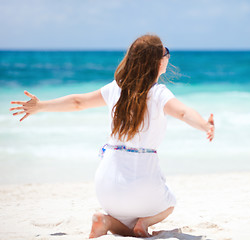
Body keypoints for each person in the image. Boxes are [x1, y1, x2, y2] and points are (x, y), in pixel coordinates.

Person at [10, 34, 215, 238]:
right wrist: (205, 125)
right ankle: (143, 223)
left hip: (105, 188)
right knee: (170, 203)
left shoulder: (116, 89)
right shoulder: (159, 92)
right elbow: (182, 112)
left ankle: (107, 220)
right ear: (158, 62)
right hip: (142, 186)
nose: (168, 57)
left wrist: (41, 106)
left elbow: (78, 102)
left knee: (127, 211)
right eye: (166, 53)